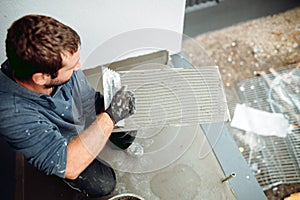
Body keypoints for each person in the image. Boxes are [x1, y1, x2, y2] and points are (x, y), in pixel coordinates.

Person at [0, 14, 136, 198]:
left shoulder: (55, 68)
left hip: (82, 113)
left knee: (128, 132)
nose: (79, 67)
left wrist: (112, 107)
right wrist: (110, 117)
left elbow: (87, 97)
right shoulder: (12, 114)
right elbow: (69, 165)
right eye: (71, 67)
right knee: (104, 184)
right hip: (64, 145)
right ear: (41, 78)